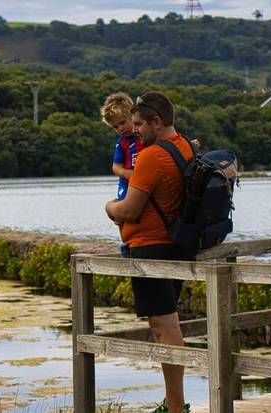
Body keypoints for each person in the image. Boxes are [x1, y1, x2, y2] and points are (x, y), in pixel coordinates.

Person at [104, 91, 194, 413]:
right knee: (168, 326)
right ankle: (174, 403)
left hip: (151, 250)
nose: (135, 130)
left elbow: (129, 209)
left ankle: (175, 408)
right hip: (175, 247)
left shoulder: (151, 157)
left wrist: (109, 207)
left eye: (140, 124)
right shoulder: (184, 145)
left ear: (157, 121)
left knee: (165, 329)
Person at [101, 92, 144, 257]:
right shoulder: (122, 142)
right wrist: (127, 174)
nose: (120, 129)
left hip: (145, 180)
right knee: (121, 211)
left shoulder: (144, 136)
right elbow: (115, 167)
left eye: (122, 123)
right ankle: (126, 242)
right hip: (127, 182)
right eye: (115, 127)